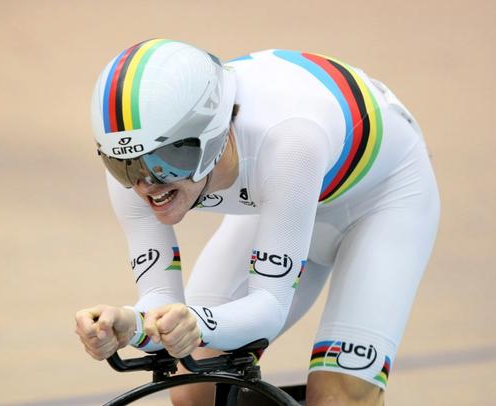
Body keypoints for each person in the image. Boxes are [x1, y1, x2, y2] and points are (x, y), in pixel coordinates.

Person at [75, 38, 440, 406]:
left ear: (211, 137)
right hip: (283, 199)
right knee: (194, 392)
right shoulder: (131, 156)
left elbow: (268, 308)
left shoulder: (289, 141)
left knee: (339, 399)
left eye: (166, 162)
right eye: (124, 165)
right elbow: (161, 307)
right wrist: (127, 324)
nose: (146, 184)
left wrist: (196, 324)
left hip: (382, 201)